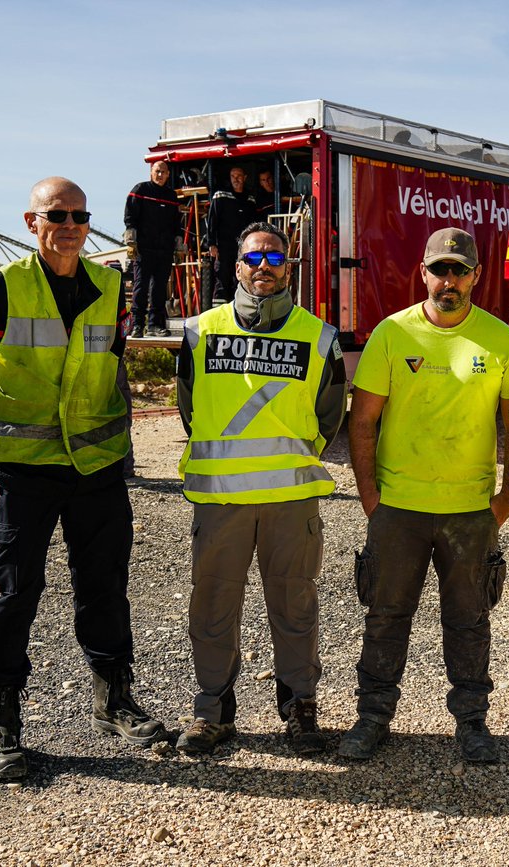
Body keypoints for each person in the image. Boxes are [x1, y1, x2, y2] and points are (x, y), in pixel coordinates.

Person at [0, 177, 165, 781]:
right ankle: (0, 718)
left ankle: (114, 698)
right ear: (33, 222)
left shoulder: (109, 285)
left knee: (105, 585)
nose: (70, 225)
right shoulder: (4, 286)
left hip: (96, 465)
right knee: (16, 590)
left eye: (79, 215)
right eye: (57, 215)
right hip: (26, 468)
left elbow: (111, 360)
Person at [337, 227, 509, 764]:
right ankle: (372, 717)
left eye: (460, 271)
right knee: (386, 616)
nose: (449, 280)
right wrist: (371, 497)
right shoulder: (393, 334)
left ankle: (472, 722)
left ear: (476, 276)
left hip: (470, 510)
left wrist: (506, 496)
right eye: (440, 269)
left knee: (470, 621)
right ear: (423, 272)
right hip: (399, 508)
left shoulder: (500, 341)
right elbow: (362, 422)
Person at [175, 221, 346, 756]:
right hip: (221, 501)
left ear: (288, 268)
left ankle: (299, 707)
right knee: (212, 606)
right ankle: (212, 711)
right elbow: (188, 406)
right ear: (237, 267)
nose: (263, 267)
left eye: (274, 258)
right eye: (254, 258)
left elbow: (330, 415)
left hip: (290, 502)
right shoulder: (199, 332)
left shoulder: (319, 336)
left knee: (295, 607)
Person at [123, 160, 180, 338]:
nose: (160, 175)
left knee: (159, 289)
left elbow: (176, 223)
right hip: (144, 248)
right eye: (157, 171)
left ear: (168, 174)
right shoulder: (140, 190)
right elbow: (130, 215)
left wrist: (178, 243)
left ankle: (155, 325)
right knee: (141, 286)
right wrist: (131, 237)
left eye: (163, 172)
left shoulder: (171, 196)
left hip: (164, 249)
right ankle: (137, 325)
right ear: (151, 172)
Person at [206, 165, 257, 307]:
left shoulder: (250, 199)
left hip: (243, 248)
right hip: (223, 246)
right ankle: (219, 312)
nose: (236, 179)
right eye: (233, 176)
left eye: (239, 176)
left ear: (245, 178)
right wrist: (211, 243)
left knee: (241, 278)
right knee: (222, 278)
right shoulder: (220, 195)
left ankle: (237, 309)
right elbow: (212, 221)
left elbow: (254, 224)